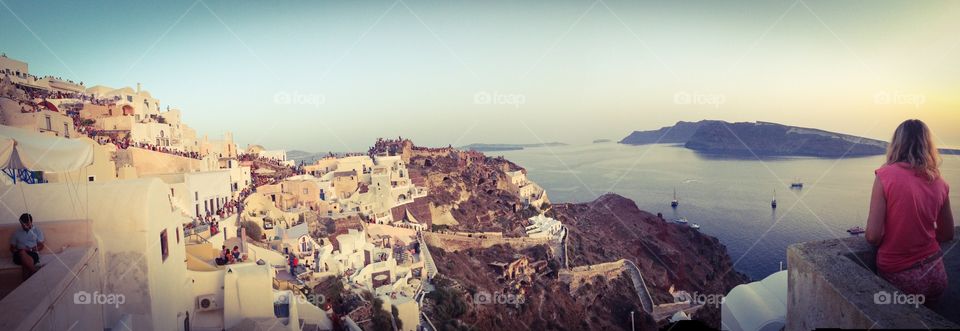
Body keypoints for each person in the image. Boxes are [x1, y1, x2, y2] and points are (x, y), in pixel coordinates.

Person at [866, 119, 954, 306]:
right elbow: (947, 234)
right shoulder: (940, 182)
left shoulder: (885, 175)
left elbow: (873, 236)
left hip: (900, 276)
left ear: (897, 143)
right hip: (935, 272)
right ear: (928, 145)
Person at [10, 213, 44, 279]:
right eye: (23, 225)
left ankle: (25, 284)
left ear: (31, 222)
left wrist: (31, 249)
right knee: (22, 253)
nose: (25, 227)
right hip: (18, 254)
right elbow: (11, 248)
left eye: (27, 224)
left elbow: (41, 246)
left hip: (33, 253)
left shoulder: (37, 231)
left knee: (25, 264)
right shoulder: (17, 232)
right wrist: (16, 250)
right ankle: (35, 272)